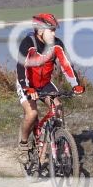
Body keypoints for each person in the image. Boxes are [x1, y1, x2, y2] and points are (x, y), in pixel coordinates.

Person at [16, 13, 85, 157]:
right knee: (32, 113)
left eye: (55, 30)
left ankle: (58, 140)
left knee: (58, 108)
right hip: (26, 84)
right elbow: (21, 68)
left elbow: (66, 65)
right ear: (40, 30)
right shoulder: (28, 43)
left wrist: (76, 84)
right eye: (51, 30)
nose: (54, 33)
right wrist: (27, 88)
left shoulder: (57, 44)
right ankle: (23, 145)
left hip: (45, 83)